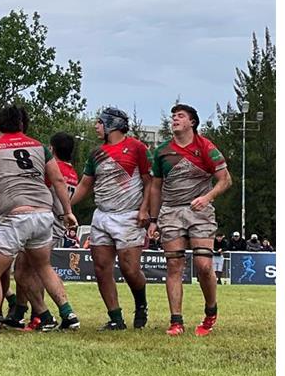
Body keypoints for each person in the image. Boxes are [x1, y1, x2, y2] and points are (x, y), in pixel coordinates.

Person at [0, 105, 79, 334]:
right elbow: (58, 180)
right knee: (43, 266)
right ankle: (67, 313)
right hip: (43, 214)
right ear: (22, 125)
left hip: (14, 215)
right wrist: (67, 212)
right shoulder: (40, 147)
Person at [147, 103, 231, 336]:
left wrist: (207, 197)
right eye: (173, 116)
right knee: (174, 265)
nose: (175, 119)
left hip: (200, 212)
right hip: (171, 211)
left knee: (204, 266)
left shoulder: (205, 147)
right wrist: (153, 219)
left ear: (192, 122)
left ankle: (210, 311)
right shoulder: (162, 151)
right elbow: (155, 187)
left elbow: (225, 180)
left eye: (180, 116)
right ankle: (176, 321)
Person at [70, 107, 154, 330]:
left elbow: (149, 182)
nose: (96, 127)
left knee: (130, 269)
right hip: (102, 215)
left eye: (99, 122)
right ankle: (116, 318)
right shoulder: (96, 153)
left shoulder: (137, 147)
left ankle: (141, 303)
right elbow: (85, 184)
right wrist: (65, 206)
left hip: (129, 216)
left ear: (111, 124)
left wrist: (146, 210)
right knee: (101, 268)